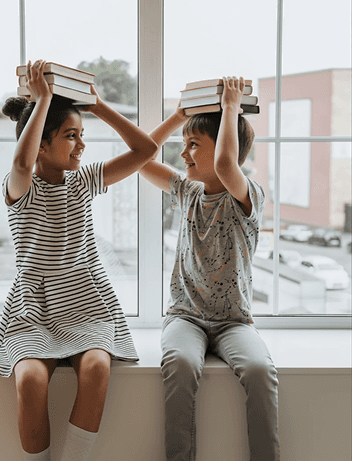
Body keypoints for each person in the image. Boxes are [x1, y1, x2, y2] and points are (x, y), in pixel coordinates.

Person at [0, 60, 157, 461]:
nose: (81, 145)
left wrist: (96, 106)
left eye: (82, 135)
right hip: (35, 306)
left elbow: (146, 150)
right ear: (42, 143)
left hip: (85, 301)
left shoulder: (82, 180)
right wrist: (44, 99)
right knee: (30, 379)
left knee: (98, 367)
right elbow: (21, 164)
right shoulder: (20, 187)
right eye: (71, 135)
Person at [138, 76, 280, 461]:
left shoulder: (247, 197)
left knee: (259, 371)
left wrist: (231, 106)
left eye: (192, 145)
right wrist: (178, 118)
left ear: (226, 150)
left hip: (235, 321)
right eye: (184, 145)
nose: (183, 154)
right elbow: (140, 160)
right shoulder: (187, 192)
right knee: (180, 364)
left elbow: (225, 164)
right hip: (186, 317)